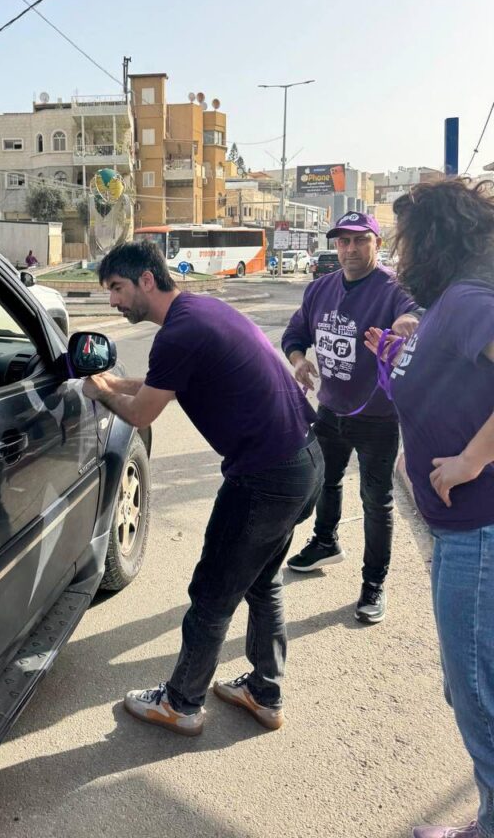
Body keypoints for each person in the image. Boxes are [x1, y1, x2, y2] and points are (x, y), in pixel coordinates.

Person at [82, 241, 324, 736]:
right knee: (261, 582)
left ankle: (181, 703)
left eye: (117, 288)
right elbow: (163, 383)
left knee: (213, 592)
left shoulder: (179, 334)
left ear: (146, 280)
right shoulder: (198, 312)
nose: (113, 301)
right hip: (304, 461)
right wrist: (116, 382)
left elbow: (142, 413)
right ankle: (264, 692)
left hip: (264, 478)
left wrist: (100, 390)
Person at [364, 179, 494, 838]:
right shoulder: (449, 304)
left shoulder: (469, 300)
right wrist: (404, 347)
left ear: (437, 238)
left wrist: (471, 458)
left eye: (406, 239)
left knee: (478, 698)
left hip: (479, 535)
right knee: (471, 688)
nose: (399, 253)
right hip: (461, 536)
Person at [281, 211, 420, 624]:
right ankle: (325, 541)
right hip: (330, 410)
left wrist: (403, 327)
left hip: (377, 417)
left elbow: (413, 314)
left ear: (377, 243)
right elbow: (294, 334)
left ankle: (373, 583)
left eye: (361, 240)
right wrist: (298, 360)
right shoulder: (320, 289)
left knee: (376, 501)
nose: (351, 249)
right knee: (326, 480)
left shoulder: (393, 289)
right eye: (343, 241)